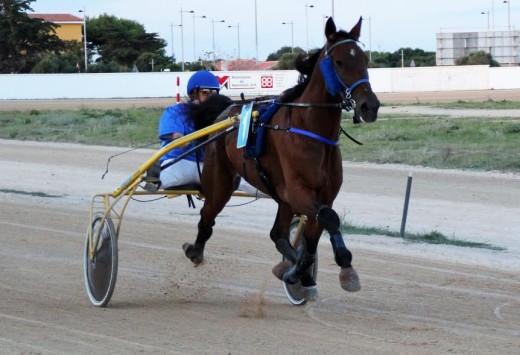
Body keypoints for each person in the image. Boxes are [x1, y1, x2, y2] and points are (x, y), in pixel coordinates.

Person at [158, 69, 220, 189]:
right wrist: (182, 139)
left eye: (214, 93)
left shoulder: (218, 115)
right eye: (206, 92)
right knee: (160, 181)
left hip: (206, 166)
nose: (211, 96)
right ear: (194, 93)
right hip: (178, 162)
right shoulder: (177, 111)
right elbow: (180, 141)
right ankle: (155, 177)